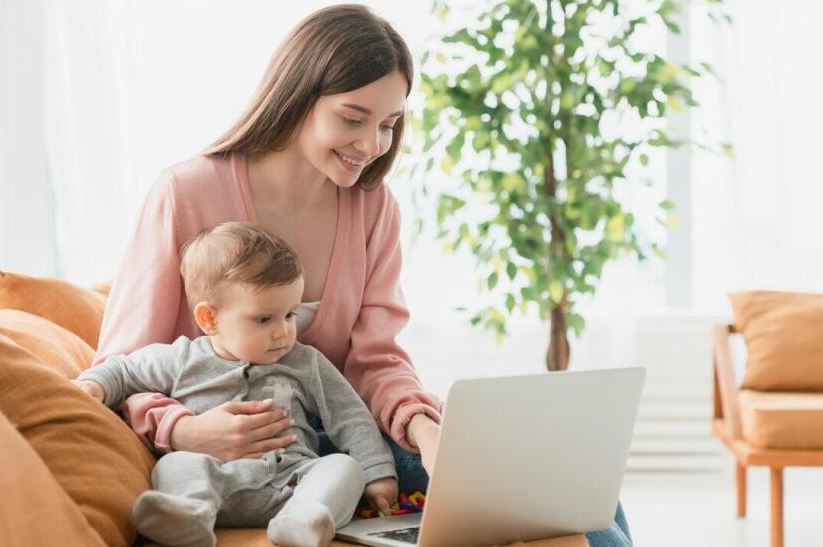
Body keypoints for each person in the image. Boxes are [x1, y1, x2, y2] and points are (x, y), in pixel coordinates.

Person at [93, 4, 632, 546]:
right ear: (298, 96)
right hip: (230, 458)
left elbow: (377, 360)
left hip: (348, 443)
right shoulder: (184, 194)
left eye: (389, 124)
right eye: (353, 119)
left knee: (583, 497)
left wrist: (427, 430)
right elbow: (124, 360)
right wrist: (186, 430)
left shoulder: (373, 207)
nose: (373, 145)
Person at [77, 223, 397, 547]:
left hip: (291, 484)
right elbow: (124, 370)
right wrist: (95, 385)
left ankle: (304, 520)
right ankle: (187, 517)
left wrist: (377, 470)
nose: (283, 332)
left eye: (290, 315)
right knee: (177, 464)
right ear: (210, 319)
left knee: (344, 468)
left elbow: (349, 414)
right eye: (264, 319)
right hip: (215, 480)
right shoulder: (182, 358)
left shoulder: (306, 362)